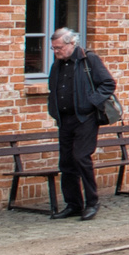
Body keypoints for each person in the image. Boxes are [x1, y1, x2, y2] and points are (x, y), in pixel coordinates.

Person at [45, 27, 115, 220]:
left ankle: (92, 202)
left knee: (81, 158)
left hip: (85, 118)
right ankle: (73, 204)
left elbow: (108, 83)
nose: (56, 52)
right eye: (53, 48)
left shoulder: (88, 60)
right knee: (66, 162)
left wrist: (90, 102)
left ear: (71, 44)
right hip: (65, 119)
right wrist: (54, 109)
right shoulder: (58, 64)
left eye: (58, 47)